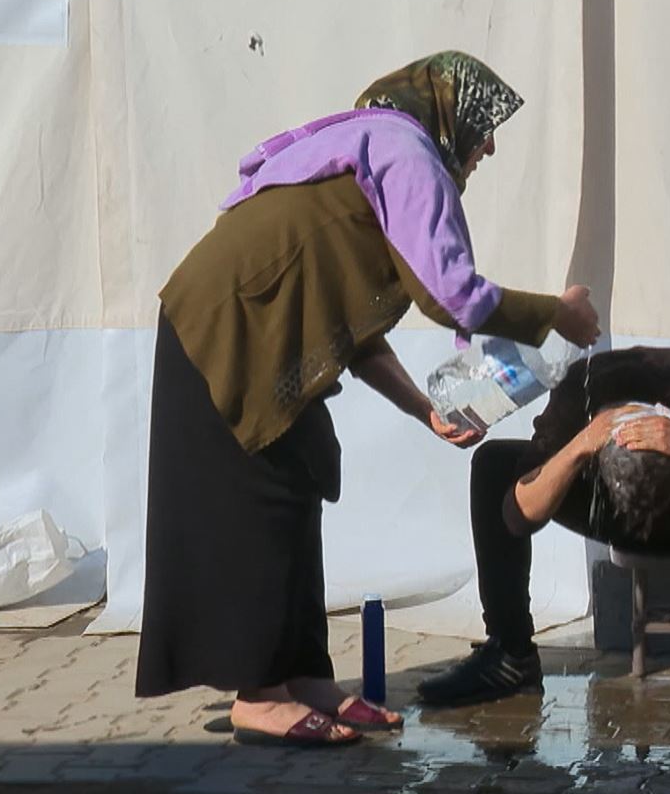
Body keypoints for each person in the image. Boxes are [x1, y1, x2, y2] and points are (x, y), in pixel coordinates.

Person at [135, 51, 600, 747]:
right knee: (255, 505)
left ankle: (306, 678)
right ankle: (259, 695)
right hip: (226, 328)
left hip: (264, 330)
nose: (490, 143)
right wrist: (554, 315)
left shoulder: (384, 147)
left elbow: (348, 325)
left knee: (297, 486)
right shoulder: (407, 151)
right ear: (449, 111)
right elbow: (453, 294)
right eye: (485, 123)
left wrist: (423, 406)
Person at [416, 346, 670, 724]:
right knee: (495, 466)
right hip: (606, 509)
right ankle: (510, 654)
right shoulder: (583, 385)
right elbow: (518, 518)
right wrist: (580, 446)